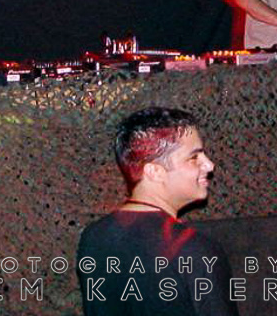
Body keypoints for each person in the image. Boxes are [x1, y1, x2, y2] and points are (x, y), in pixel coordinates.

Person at [76, 107, 237, 315]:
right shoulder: (195, 250)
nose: (209, 165)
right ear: (154, 171)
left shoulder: (94, 237)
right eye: (194, 157)